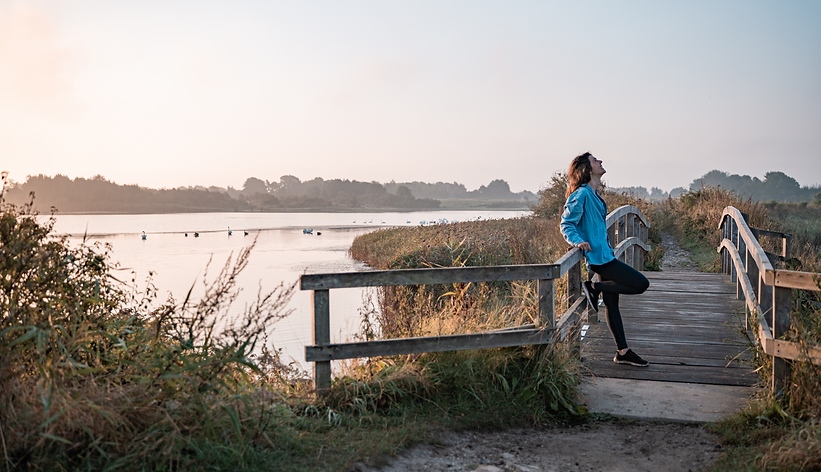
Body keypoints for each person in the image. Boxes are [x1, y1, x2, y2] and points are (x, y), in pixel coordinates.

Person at [559, 152, 650, 367]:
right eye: (595, 160)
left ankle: (622, 351)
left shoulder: (594, 194)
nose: (600, 161)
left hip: (606, 255)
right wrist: (578, 241)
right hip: (601, 260)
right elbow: (566, 223)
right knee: (641, 284)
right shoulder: (582, 194)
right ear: (587, 168)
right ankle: (594, 287)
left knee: (612, 305)